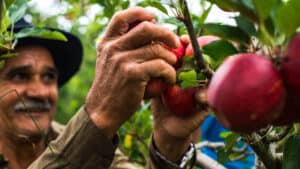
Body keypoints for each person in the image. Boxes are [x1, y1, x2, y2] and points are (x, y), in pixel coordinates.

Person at [0, 7, 206, 169]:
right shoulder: (88, 139)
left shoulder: (83, 142)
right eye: (19, 76)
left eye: (48, 77)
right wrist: (101, 114)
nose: (39, 91)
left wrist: (169, 143)